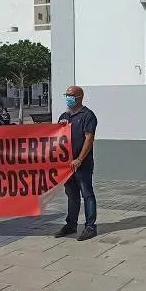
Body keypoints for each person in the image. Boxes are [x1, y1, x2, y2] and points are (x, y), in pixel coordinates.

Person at [53, 86, 99, 241]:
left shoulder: (88, 115)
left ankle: (90, 226)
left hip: (82, 164)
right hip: (66, 165)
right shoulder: (64, 116)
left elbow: (89, 138)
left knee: (87, 193)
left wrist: (79, 159)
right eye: (66, 95)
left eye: (71, 95)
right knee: (71, 194)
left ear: (80, 97)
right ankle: (71, 224)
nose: (68, 98)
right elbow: (57, 138)